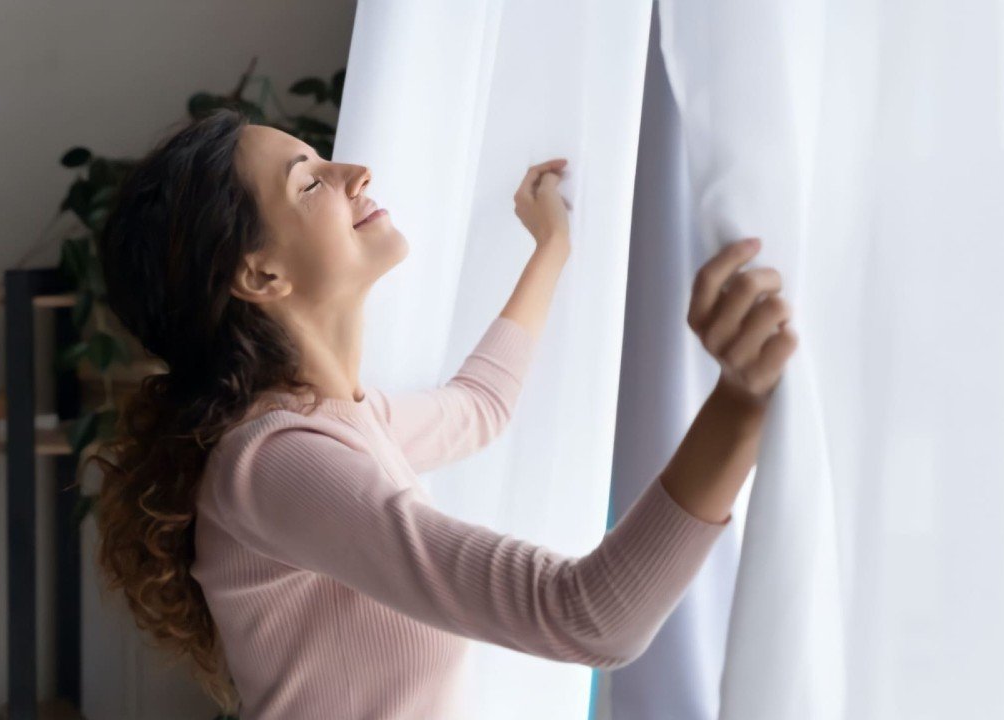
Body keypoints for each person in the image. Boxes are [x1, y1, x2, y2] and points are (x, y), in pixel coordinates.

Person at [91, 108, 797, 719]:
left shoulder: (329, 426)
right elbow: (593, 617)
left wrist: (551, 248)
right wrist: (739, 403)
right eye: (309, 181)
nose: (356, 172)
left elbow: (479, 406)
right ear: (260, 275)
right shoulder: (280, 463)